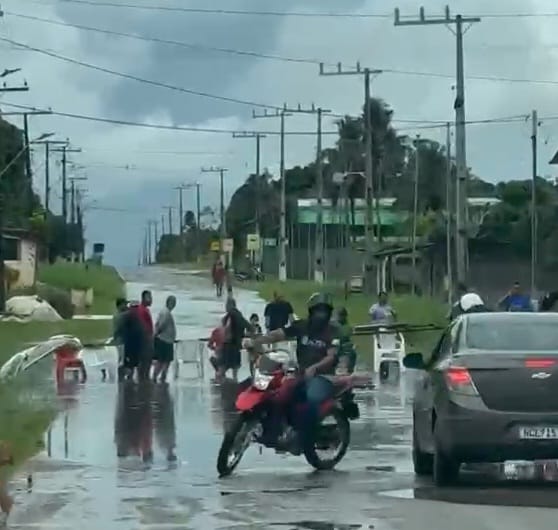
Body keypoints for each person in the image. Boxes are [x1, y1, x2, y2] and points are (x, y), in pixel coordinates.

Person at [248, 292, 340, 452]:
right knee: (278, 394)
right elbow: (279, 334)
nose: (321, 315)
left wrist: (316, 367)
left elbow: (331, 356)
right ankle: (273, 432)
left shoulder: (332, 331)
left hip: (324, 377)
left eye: (324, 311)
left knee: (311, 401)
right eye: (318, 310)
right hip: (301, 374)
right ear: (311, 311)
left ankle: (304, 439)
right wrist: (257, 341)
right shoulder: (302, 326)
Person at [220, 296, 254, 381]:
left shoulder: (231, 315)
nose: (225, 307)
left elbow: (226, 328)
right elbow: (249, 327)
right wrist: (245, 334)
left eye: (226, 305)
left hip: (229, 345)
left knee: (224, 365)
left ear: (230, 305)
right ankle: (234, 382)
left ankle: (222, 382)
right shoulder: (238, 315)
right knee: (235, 368)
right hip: (236, 344)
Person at [152, 295, 177, 383]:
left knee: (165, 361)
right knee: (162, 360)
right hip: (164, 340)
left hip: (166, 340)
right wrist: (155, 335)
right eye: (173, 302)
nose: (174, 305)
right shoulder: (166, 313)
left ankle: (162, 376)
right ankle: (157, 377)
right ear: (168, 302)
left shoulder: (165, 312)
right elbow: (161, 326)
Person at [135, 290, 154, 380]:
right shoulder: (142, 310)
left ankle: (143, 380)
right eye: (149, 298)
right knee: (145, 363)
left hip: (144, 340)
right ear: (143, 298)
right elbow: (143, 327)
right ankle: (144, 381)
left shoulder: (144, 309)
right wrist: (149, 339)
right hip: (145, 341)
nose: (151, 300)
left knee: (145, 363)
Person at [334, 307, 357, 374]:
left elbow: (347, 336)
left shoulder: (347, 327)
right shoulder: (333, 324)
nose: (338, 317)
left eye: (340, 315)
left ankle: (349, 371)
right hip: (334, 346)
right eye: (338, 315)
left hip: (344, 347)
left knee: (352, 353)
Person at [113, 297, 128, 381]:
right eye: (124, 304)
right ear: (119, 305)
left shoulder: (120, 315)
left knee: (122, 359)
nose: (126, 306)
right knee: (122, 360)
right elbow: (118, 329)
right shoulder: (120, 316)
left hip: (120, 340)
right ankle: (121, 378)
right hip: (120, 340)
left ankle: (121, 377)